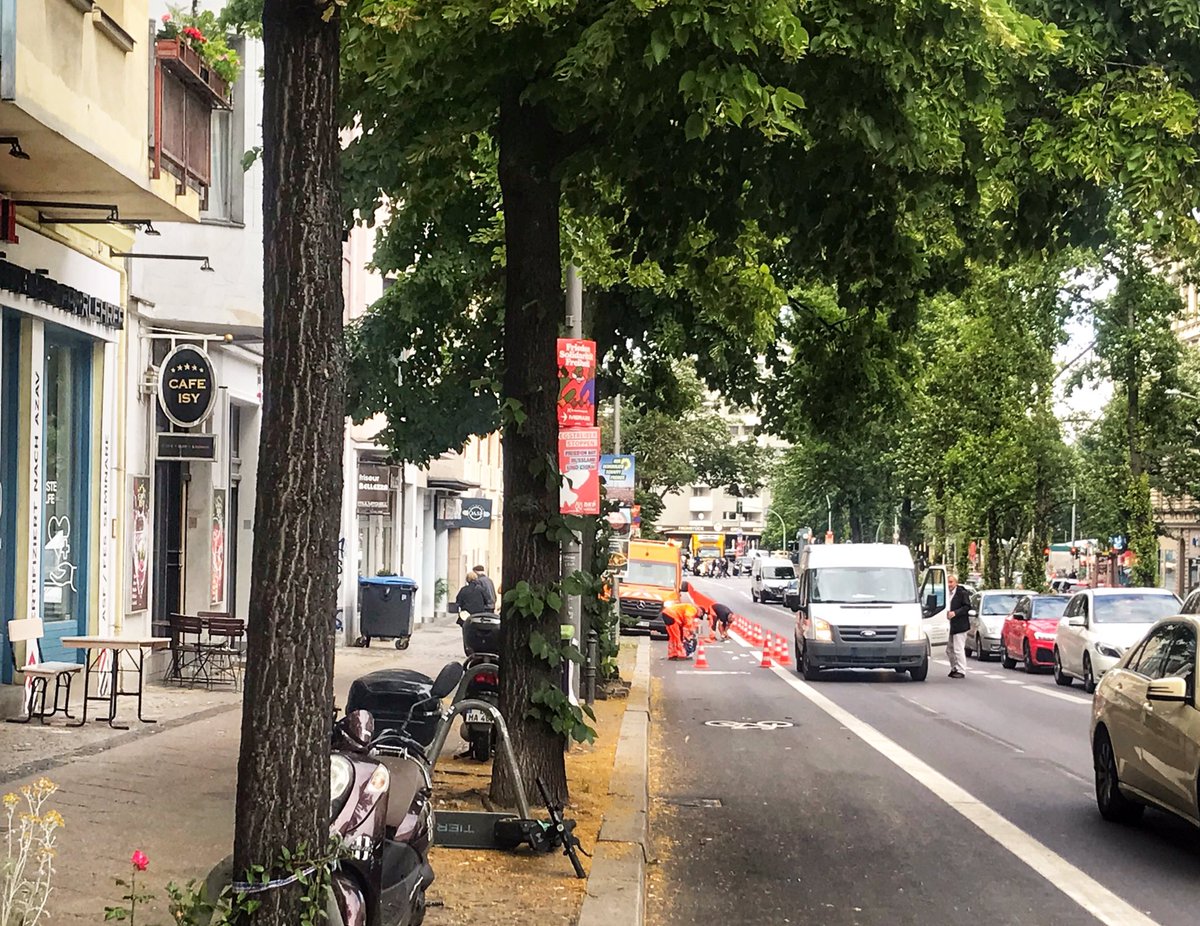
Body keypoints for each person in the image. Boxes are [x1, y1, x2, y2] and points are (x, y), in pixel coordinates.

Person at [946, 573, 971, 678]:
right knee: (949, 649)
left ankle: (961, 670)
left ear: (956, 582)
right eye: (948, 582)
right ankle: (954, 668)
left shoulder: (962, 593)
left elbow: (967, 606)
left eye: (951, 582)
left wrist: (955, 613)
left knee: (958, 648)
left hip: (960, 625)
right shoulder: (946, 593)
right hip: (950, 626)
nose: (949, 584)